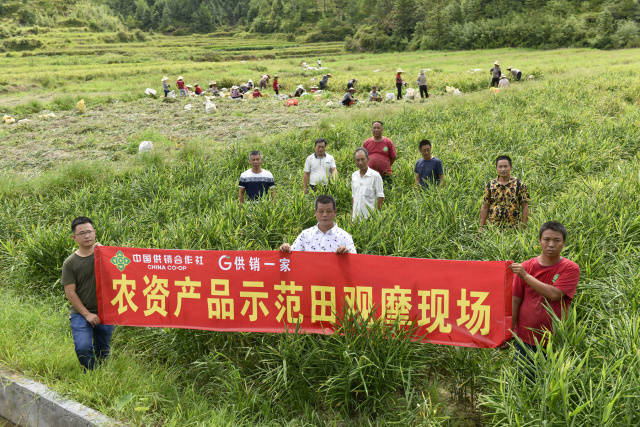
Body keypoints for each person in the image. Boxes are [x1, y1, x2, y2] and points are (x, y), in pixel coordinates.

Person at [510, 221, 580, 362]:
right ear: (540, 241)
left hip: (555, 339)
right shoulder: (526, 266)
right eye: (546, 239)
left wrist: (525, 276)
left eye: (556, 240)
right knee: (524, 380)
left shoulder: (570, 268)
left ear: (563, 243)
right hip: (525, 337)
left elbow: (554, 294)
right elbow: (516, 300)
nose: (551, 244)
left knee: (551, 380)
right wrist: (510, 332)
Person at [62, 217, 114, 370]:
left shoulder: (106, 254)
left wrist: (106, 253)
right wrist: (87, 314)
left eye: (89, 232)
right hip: (81, 313)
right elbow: (70, 292)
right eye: (82, 233)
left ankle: (101, 376)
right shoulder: (70, 263)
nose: (87, 236)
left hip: (105, 312)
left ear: (95, 233)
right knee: (83, 348)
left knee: (103, 351)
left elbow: (125, 270)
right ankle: (92, 373)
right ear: (74, 237)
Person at [279, 195, 356, 254]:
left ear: (335, 212)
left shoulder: (345, 236)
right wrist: (285, 249)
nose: (325, 215)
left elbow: (355, 262)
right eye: (321, 211)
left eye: (329, 211)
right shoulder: (305, 235)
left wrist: (347, 254)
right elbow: (292, 255)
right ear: (315, 212)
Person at [479, 155, 530, 229]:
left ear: (510, 167)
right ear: (496, 168)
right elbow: (485, 206)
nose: (503, 169)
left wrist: (523, 227)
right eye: (500, 167)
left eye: (505, 166)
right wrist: (481, 228)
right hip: (493, 228)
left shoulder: (519, 184)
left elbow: (525, 206)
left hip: (513, 229)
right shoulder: (490, 185)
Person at [352, 147, 384, 220]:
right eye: (357, 160)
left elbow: (380, 197)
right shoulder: (354, 175)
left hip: (369, 219)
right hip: (356, 219)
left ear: (368, 159)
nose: (360, 162)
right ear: (355, 161)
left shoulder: (375, 176)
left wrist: (376, 217)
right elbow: (353, 196)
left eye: (362, 159)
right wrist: (352, 217)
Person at [362, 120, 397, 185]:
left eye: (378, 128)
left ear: (382, 129)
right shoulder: (367, 142)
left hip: (386, 174)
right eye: (374, 128)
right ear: (371, 129)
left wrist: (386, 166)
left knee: (388, 191)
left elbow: (393, 157)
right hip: (370, 174)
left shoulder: (388, 142)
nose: (376, 130)